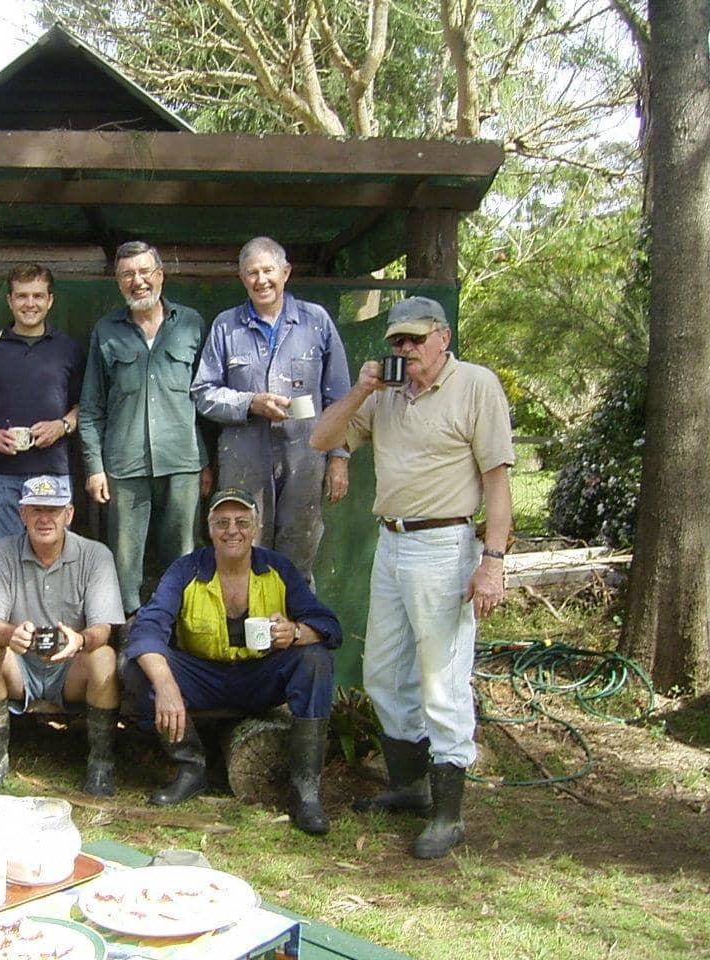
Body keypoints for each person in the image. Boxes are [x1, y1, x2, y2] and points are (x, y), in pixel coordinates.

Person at [310, 295, 514, 859]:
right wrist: (362, 390)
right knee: (382, 671)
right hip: (391, 543)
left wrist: (492, 562)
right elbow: (321, 440)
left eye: (416, 340)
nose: (406, 350)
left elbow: (498, 483)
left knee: (442, 682)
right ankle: (410, 786)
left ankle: (449, 817)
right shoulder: (386, 397)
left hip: (446, 544)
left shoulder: (476, 385)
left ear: (442, 337)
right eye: (397, 341)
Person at [122, 488, 342, 833]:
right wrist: (166, 685)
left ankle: (306, 791)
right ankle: (191, 767)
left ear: (255, 529)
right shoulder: (187, 570)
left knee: (314, 659)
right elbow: (147, 627)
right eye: (222, 523)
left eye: (242, 522)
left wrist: (296, 632)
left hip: (261, 676)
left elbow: (329, 626)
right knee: (138, 667)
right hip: (202, 676)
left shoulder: (278, 568)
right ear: (209, 530)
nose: (232, 531)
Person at [193, 237, 351, 582]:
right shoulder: (226, 326)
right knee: (243, 550)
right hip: (243, 458)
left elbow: (340, 398)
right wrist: (250, 403)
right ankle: (246, 633)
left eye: (268, 271)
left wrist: (339, 458)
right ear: (242, 278)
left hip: (306, 457)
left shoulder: (316, 322)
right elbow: (203, 393)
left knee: (300, 552)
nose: (261, 280)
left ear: (286, 272)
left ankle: (300, 631)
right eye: (252, 273)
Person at [0, 475, 125, 796]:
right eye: (35, 509)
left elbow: (103, 629)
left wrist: (79, 640)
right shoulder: (1, 552)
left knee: (105, 656)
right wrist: (12, 634)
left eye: (53, 510)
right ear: (22, 514)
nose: (44, 518)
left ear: (69, 514)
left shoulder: (96, 555)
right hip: (20, 666)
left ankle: (101, 763)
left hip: (71, 666)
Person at [78, 241, 209, 616]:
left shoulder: (191, 324)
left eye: (144, 272)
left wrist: (206, 461)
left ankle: (181, 634)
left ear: (160, 275)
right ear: (118, 282)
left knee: (184, 555)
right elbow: (91, 407)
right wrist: (94, 467)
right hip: (124, 466)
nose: (138, 281)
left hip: (183, 462)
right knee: (124, 562)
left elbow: (207, 400)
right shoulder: (106, 331)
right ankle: (128, 642)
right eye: (127, 274)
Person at [0, 263, 86, 544]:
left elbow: (86, 406)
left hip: (53, 470)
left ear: (50, 300)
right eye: (21, 296)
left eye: (38, 296)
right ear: (9, 300)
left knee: (52, 554)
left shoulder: (68, 349)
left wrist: (62, 425)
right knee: (4, 554)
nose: (30, 303)